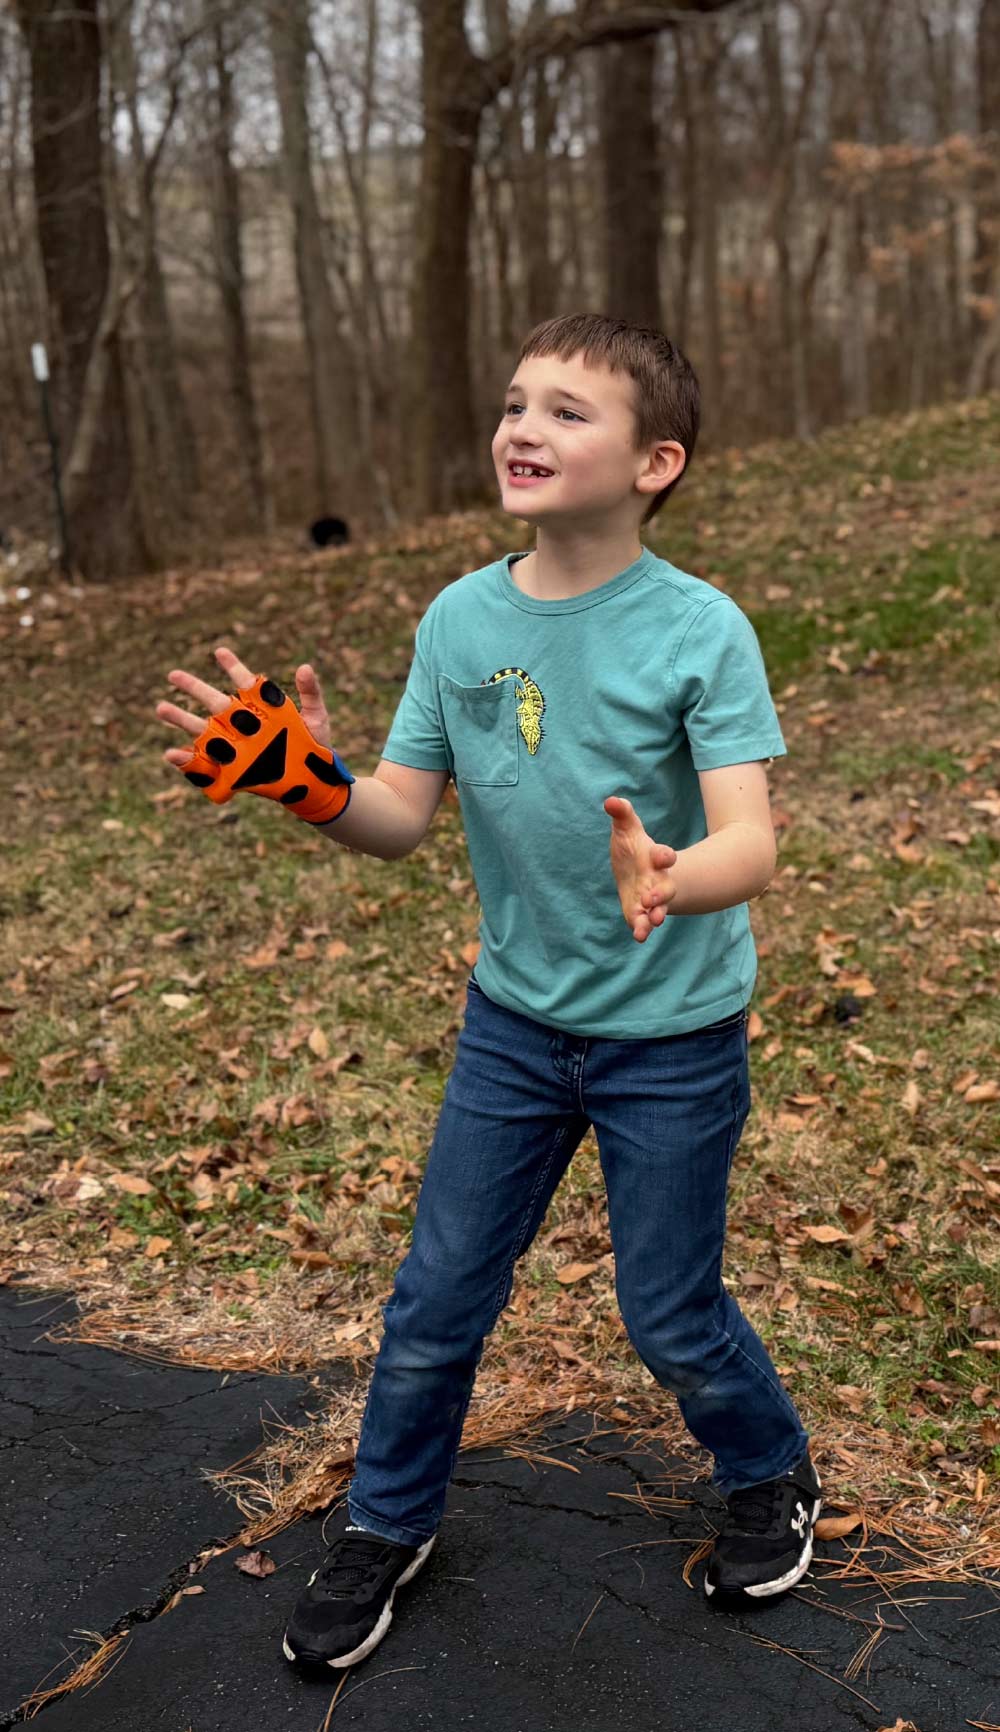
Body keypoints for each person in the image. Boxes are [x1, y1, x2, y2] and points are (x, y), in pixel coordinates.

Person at [156, 312, 821, 1677]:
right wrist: (309, 784)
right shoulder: (460, 618)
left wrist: (672, 878)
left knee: (670, 1311)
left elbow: (751, 841)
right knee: (439, 1294)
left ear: (657, 461)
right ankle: (388, 1522)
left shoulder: (701, 629)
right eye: (518, 401)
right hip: (515, 1026)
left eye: (571, 411)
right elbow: (398, 816)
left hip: (671, 1038)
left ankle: (768, 1475)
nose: (526, 425)